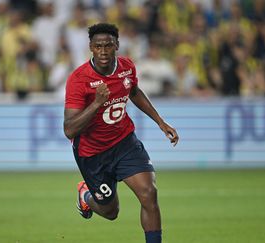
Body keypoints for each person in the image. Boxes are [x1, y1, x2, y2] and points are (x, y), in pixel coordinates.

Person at [63, 23, 179, 243]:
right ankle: (86, 195)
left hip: (124, 142)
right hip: (93, 154)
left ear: (117, 45)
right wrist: (97, 103)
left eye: (108, 45)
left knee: (149, 194)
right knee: (111, 212)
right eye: (98, 46)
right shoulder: (78, 80)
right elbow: (69, 129)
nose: (104, 51)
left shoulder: (127, 66)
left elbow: (133, 91)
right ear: (91, 47)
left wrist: (160, 122)